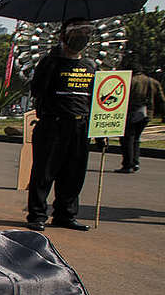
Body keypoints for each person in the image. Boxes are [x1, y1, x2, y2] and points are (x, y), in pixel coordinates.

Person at [25, 18, 98, 231]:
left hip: (80, 125)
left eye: (86, 31)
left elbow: (96, 98)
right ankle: (37, 215)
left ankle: (65, 214)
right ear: (63, 36)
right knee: (44, 172)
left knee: (74, 173)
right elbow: (37, 90)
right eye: (76, 32)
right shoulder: (50, 63)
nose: (81, 36)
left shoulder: (90, 66)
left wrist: (101, 131)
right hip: (53, 124)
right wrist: (53, 59)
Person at [115, 63, 165, 173]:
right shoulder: (153, 82)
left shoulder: (130, 81)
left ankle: (128, 164)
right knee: (136, 139)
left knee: (127, 139)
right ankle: (135, 162)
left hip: (131, 113)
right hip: (147, 113)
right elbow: (161, 99)